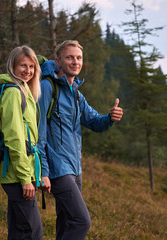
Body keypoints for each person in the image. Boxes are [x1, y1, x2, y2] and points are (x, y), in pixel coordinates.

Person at [37, 40, 123, 239]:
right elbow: (39, 133)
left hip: (76, 169)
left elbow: (94, 121)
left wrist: (110, 117)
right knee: (81, 221)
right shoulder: (47, 88)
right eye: (70, 57)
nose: (75, 62)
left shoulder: (76, 93)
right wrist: (43, 171)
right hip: (58, 168)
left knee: (66, 222)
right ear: (58, 61)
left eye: (79, 58)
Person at [0, 45, 47, 240]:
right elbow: (14, 138)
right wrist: (25, 178)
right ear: (12, 66)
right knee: (33, 233)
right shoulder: (14, 93)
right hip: (16, 175)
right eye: (23, 65)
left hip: (20, 172)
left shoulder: (24, 90)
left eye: (32, 67)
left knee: (18, 231)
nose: (28, 71)